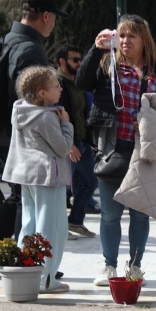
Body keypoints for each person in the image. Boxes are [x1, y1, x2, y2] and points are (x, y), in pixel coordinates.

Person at [76, 14, 156, 286]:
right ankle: (109, 266)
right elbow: (82, 83)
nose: (125, 41)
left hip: (144, 150)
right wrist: (96, 49)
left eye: (131, 36)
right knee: (110, 214)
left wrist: (154, 125)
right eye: (122, 35)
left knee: (140, 214)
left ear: (144, 40)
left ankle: (135, 266)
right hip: (111, 148)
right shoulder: (107, 64)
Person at [0, 0, 67, 243]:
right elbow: (32, 100)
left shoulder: (8, 39)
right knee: (22, 198)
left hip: (3, 130)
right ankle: (26, 260)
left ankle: (24, 258)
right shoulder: (30, 49)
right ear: (46, 17)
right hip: (17, 134)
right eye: (55, 18)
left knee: (20, 195)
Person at [1, 66, 73, 292]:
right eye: (55, 86)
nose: (60, 89)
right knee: (52, 227)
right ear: (42, 93)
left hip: (27, 176)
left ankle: (27, 273)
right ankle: (46, 279)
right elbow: (62, 148)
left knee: (29, 225)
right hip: (48, 176)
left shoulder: (20, 110)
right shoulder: (47, 117)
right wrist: (66, 124)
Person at [55, 44, 96, 239]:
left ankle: (75, 221)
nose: (79, 63)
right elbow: (56, 115)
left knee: (89, 182)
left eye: (80, 59)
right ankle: (61, 227)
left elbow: (83, 113)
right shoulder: (57, 84)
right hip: (68, 144)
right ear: (62, 62)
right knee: (63, 187)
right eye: (75, 60)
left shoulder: (79, 82)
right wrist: (68, 144)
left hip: (82, 141)